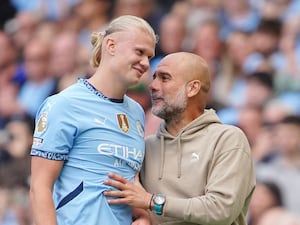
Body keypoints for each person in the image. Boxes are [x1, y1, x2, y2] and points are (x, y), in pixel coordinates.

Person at [29, 15, 157, 225]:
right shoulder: (64, 104)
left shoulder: (137, 112)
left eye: (149, 57)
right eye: (139, 52)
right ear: (111, 45)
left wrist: (143, 217)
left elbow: (130, 179)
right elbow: (40, 188)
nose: (145, 63)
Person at [104, 52, 256, 225]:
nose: (153, 86)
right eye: (154, 78)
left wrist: (151, 201)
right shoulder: (146, 146)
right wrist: (142, 216)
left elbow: (220, 209)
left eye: (164, 78)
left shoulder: (227, 139)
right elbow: (133, 201)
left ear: (192, 88)